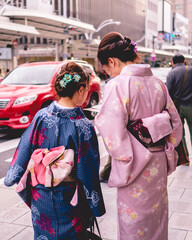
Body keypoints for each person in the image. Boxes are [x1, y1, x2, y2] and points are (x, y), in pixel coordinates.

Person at [95, 32, 182, 240]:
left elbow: (111, 130)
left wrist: (127, 156)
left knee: (134, 224)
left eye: (107, 71)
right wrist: (165, 146)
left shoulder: (118, 85)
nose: (109, 75)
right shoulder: (158, 84)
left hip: (134, 165)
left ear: (112, 61)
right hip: (158, 163)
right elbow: (175, 124)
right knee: (156, 219)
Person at [4, 62, 105, 240]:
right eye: (87, 89)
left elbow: (24, 146)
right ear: (80, 89)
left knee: (44, 234)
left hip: (41, 195)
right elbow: (88, 171)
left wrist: (12, 176)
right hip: (69, 198)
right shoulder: (83, 126)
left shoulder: (41, 116)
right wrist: (95, 205)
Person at [166, 54, 192, 157]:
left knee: (181, 134)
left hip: (177, 108)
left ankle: (185, 157)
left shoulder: (171, 73)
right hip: (191, 106)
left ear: (173, 62)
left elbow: (168, 93)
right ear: (184, 61)